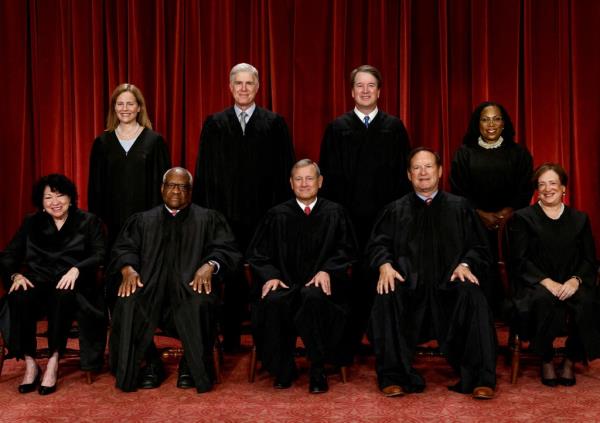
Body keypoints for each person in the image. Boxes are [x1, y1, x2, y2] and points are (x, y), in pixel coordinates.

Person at [367, 147, 497, 399]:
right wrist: (385, 264)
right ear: (408, 174)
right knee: (386, 294)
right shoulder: (395, 210)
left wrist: (466, 264)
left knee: (473, 296)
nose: (423, 172)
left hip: (449, 284)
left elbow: (479, 247)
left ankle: (481, 378)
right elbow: (377, 244)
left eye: (428, 167)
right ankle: (393, 376)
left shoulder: (460, 208)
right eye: (416, 167)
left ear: (439, 171)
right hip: (408, 285)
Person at [108, 167, 241, 393]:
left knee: (201, 302)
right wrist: (128, 268)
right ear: (162, 189)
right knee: (127, 301)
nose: (176, 191)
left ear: (190, 191)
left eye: (182, 186)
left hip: (189, 289)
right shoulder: (142, 220)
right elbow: (124, 248)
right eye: (171, 185)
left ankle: (191, 364)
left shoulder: (208, 219)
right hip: (150, 289)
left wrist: (210, 265)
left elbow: (227, 249)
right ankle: (149, 363)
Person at [193, 63, 295, 350]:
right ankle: (231, 338)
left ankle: (265, 341)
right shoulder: (215, 124)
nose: (243, 88)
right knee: (231, 275)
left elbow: (284, 172)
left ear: (258, 87)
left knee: (264, 274)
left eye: (249, 83)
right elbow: (203, 173)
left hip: (264, 215)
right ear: (229, 87)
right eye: (238, 83)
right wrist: (206, 217)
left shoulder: (274, 124)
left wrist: (280, 216)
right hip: (226, 217)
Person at [319, 65, 412, 356]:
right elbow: (329, 180)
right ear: (351, 91)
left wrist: (398, 219)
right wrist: (338, 220)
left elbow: (403, 176)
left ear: (379, 91)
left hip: (386, 221)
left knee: (382, 277)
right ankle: (347, 342)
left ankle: (384, 340)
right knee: (351, 280)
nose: (365, 90)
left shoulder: (394, 128)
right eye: (360, 85)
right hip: (349, 220)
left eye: (371, 85)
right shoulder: (337, 128)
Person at [247, 159, 358, 393]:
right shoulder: (276, 215)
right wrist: (271, 275)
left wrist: (328, 270)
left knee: (314, 298)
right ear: (291, 183)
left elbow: (347, 251)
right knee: (275, 301)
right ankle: (282, 368)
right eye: (299, 179)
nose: (304, 184)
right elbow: (257, 255)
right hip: (286, 282)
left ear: (320, 182)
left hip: (322, 286)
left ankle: (318, 369)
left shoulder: (335, 213)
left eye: (309, 178)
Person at [0, 174, 106, 395]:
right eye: (48, 197)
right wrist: (14, 276)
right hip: (39, 279)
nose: (55, 202)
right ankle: (30, 362)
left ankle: (53, 361)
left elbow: (100, 253)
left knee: (62, 294)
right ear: (41, 201)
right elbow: (10, 254)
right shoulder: (32, 222)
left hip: (74, 282)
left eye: (60, 196)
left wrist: (78, 269)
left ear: (71, 198)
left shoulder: (88, 221)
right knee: (18, 296)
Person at [508, 163, 600, 387]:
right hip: (536, 282)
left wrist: (575, 281)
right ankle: (546, 357)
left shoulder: (579, 219)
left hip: (572, 281)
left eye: (552, 183)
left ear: (563, 188)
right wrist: (547, 282)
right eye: (542, 184)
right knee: (542, 300)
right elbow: (519, 260)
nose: (547, 189)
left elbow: (589, 260)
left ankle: (570, 358)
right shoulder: (523, 218)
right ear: (537, 189)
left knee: (589, 301)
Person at [450, 101, 533, 305]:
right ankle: (481, 307)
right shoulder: (464, 153)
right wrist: (481, 214)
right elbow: (458, 190)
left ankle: (512, 307)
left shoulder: (519, 153)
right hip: (474, 222)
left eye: (496, 119)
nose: (491, 124)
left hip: (511, 223)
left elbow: (525, 187)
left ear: (504, 123)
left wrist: (507, 212)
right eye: (485, 119)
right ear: (477, 124)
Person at [88, 83, 171, 246]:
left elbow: (164, 185)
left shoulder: (154, 141)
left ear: (139, 107)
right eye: (120, 104)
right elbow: (95, 187)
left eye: (130, 104)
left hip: (148, 224)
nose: (125, 108)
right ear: (114, 108)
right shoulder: (102, 143)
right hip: (112, 225)